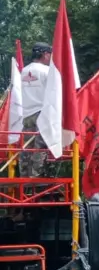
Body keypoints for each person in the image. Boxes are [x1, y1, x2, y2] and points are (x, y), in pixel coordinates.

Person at [19, 42, 52, 177]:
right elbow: (54, 94)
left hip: (26, 114)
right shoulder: (47, 71)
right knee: (40, 148)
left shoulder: (24, 71)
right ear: (45, 54)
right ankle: (35, 180)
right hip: (41, 114)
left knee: (26, 147)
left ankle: (24, 177)